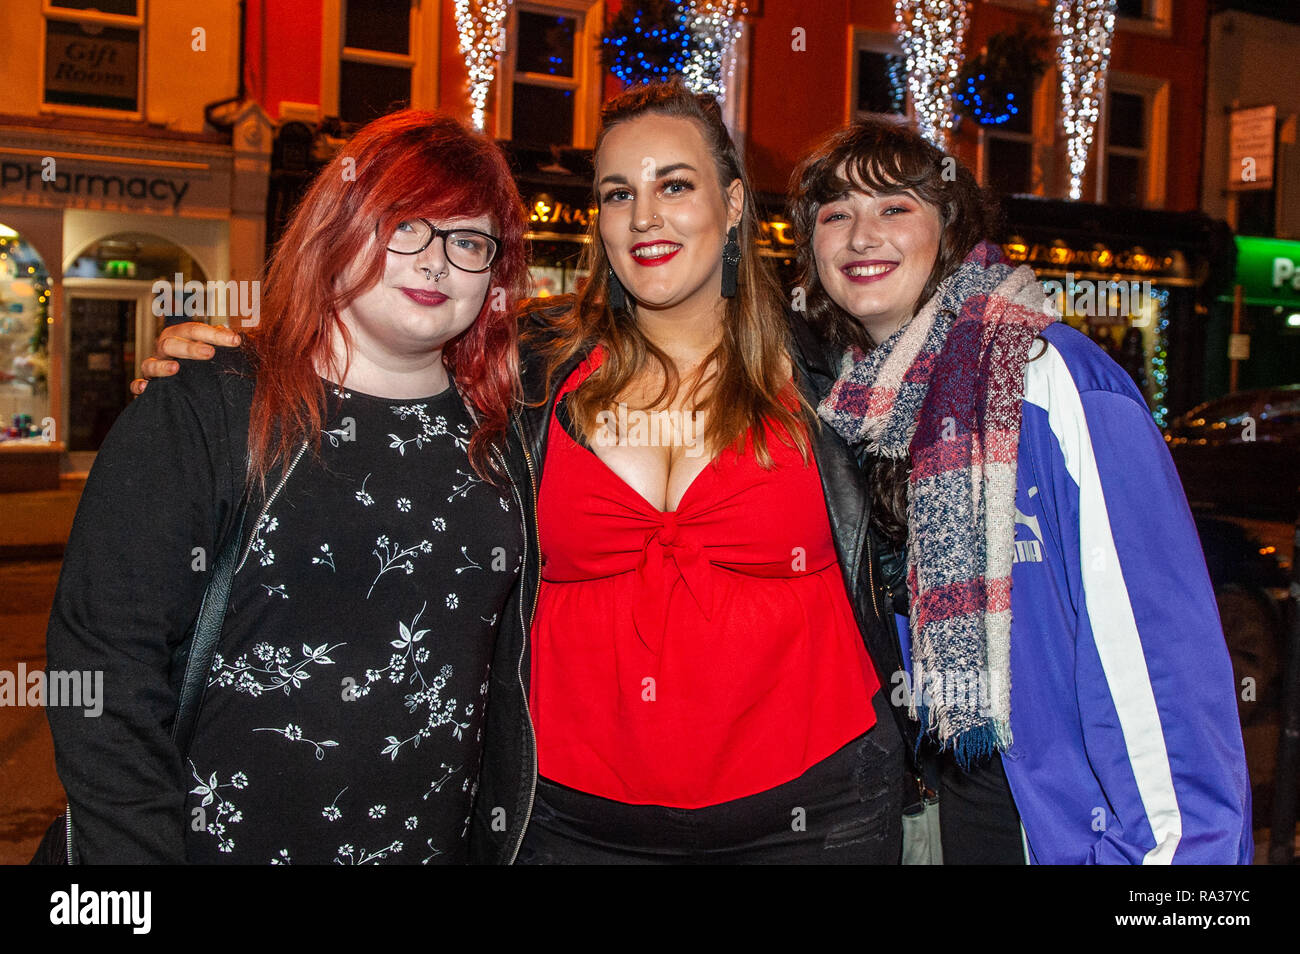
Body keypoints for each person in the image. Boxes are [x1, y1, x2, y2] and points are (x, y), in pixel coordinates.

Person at [138, 82, 911, 865]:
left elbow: (953, 394)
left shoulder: (832, 369)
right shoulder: (528, 369)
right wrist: (245, 362)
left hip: (819, 811)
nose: (645, 216)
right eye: (619, 193)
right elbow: (376, 350)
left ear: (736, 203)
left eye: (674, 185)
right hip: (570, 820)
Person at [46, 110, 532, 864]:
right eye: (405, 225)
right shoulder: (211, 401)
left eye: (467, 241)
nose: (436, 262)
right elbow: (102, 663)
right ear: (338, 228)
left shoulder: (506, 432)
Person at [787, 118, 1253, 864]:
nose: (860, 233)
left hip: (1079, 832)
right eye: (834, 214)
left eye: (894, 207)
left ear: (951, 228)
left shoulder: (1046, 379)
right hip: (954, 819)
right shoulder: (854, 408)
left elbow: (1157, 658)